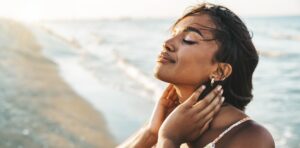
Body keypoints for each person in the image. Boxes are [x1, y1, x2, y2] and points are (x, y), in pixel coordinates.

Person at [118, 3, 275, 148]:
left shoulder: (251, 137)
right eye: (173, 34)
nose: (167, 42)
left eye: (188, 39)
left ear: (219, 71)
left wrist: (169, 139)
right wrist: (150, 134)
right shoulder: (170, 124)